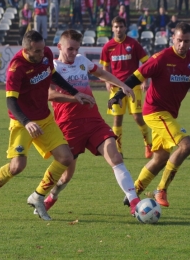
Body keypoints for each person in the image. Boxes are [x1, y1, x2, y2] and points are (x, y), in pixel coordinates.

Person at [0, 30, 95, 221]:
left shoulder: (45, 53)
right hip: (22, 121)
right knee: (17, 167)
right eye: (37, 51)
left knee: (66, 158)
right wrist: (26, 122)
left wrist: (74, 93)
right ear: (26, 50)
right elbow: (11, 103)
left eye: (42, 49)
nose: (42, 54)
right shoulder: (16, 68)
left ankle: (38, 196)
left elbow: (53, 75)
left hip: (44, 118)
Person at [34, 29, 140, 217]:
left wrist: (123, 85)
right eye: (70, 49)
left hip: (93, 121)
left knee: (115, 157)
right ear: (59, 47)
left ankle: (134, 202)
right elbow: (49, 95)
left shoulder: (82, 61)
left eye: (77, 49)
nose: (74, 53)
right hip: (68, 125)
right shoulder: (52, 68)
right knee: (66, 175)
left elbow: (101, 72)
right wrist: (76, 98)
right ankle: (51, 197)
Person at [108, 22, 190, 208]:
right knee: (187, 144)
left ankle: (133, 192)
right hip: (155, 111)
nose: (182, 45)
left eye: (186, 41)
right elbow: (137, 76)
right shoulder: (161, 58)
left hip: (169, 115)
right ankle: (161, 189)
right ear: (172, 38)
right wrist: (118, 94)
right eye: (179, 40)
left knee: (160, 158)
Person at [100, 16, 152, 159]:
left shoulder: (133, 44)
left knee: (137, 117)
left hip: (133, 85)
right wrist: (107, 81)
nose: (118, 29)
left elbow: (146, 62)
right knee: (117, 119)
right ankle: (118, 149)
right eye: (116, 27)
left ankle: (148, 144)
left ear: (125, 28)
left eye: (121, 26)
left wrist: (144, 81)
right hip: (116, 87)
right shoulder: (108, 47)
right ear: (112, 28)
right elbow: (105, 66)